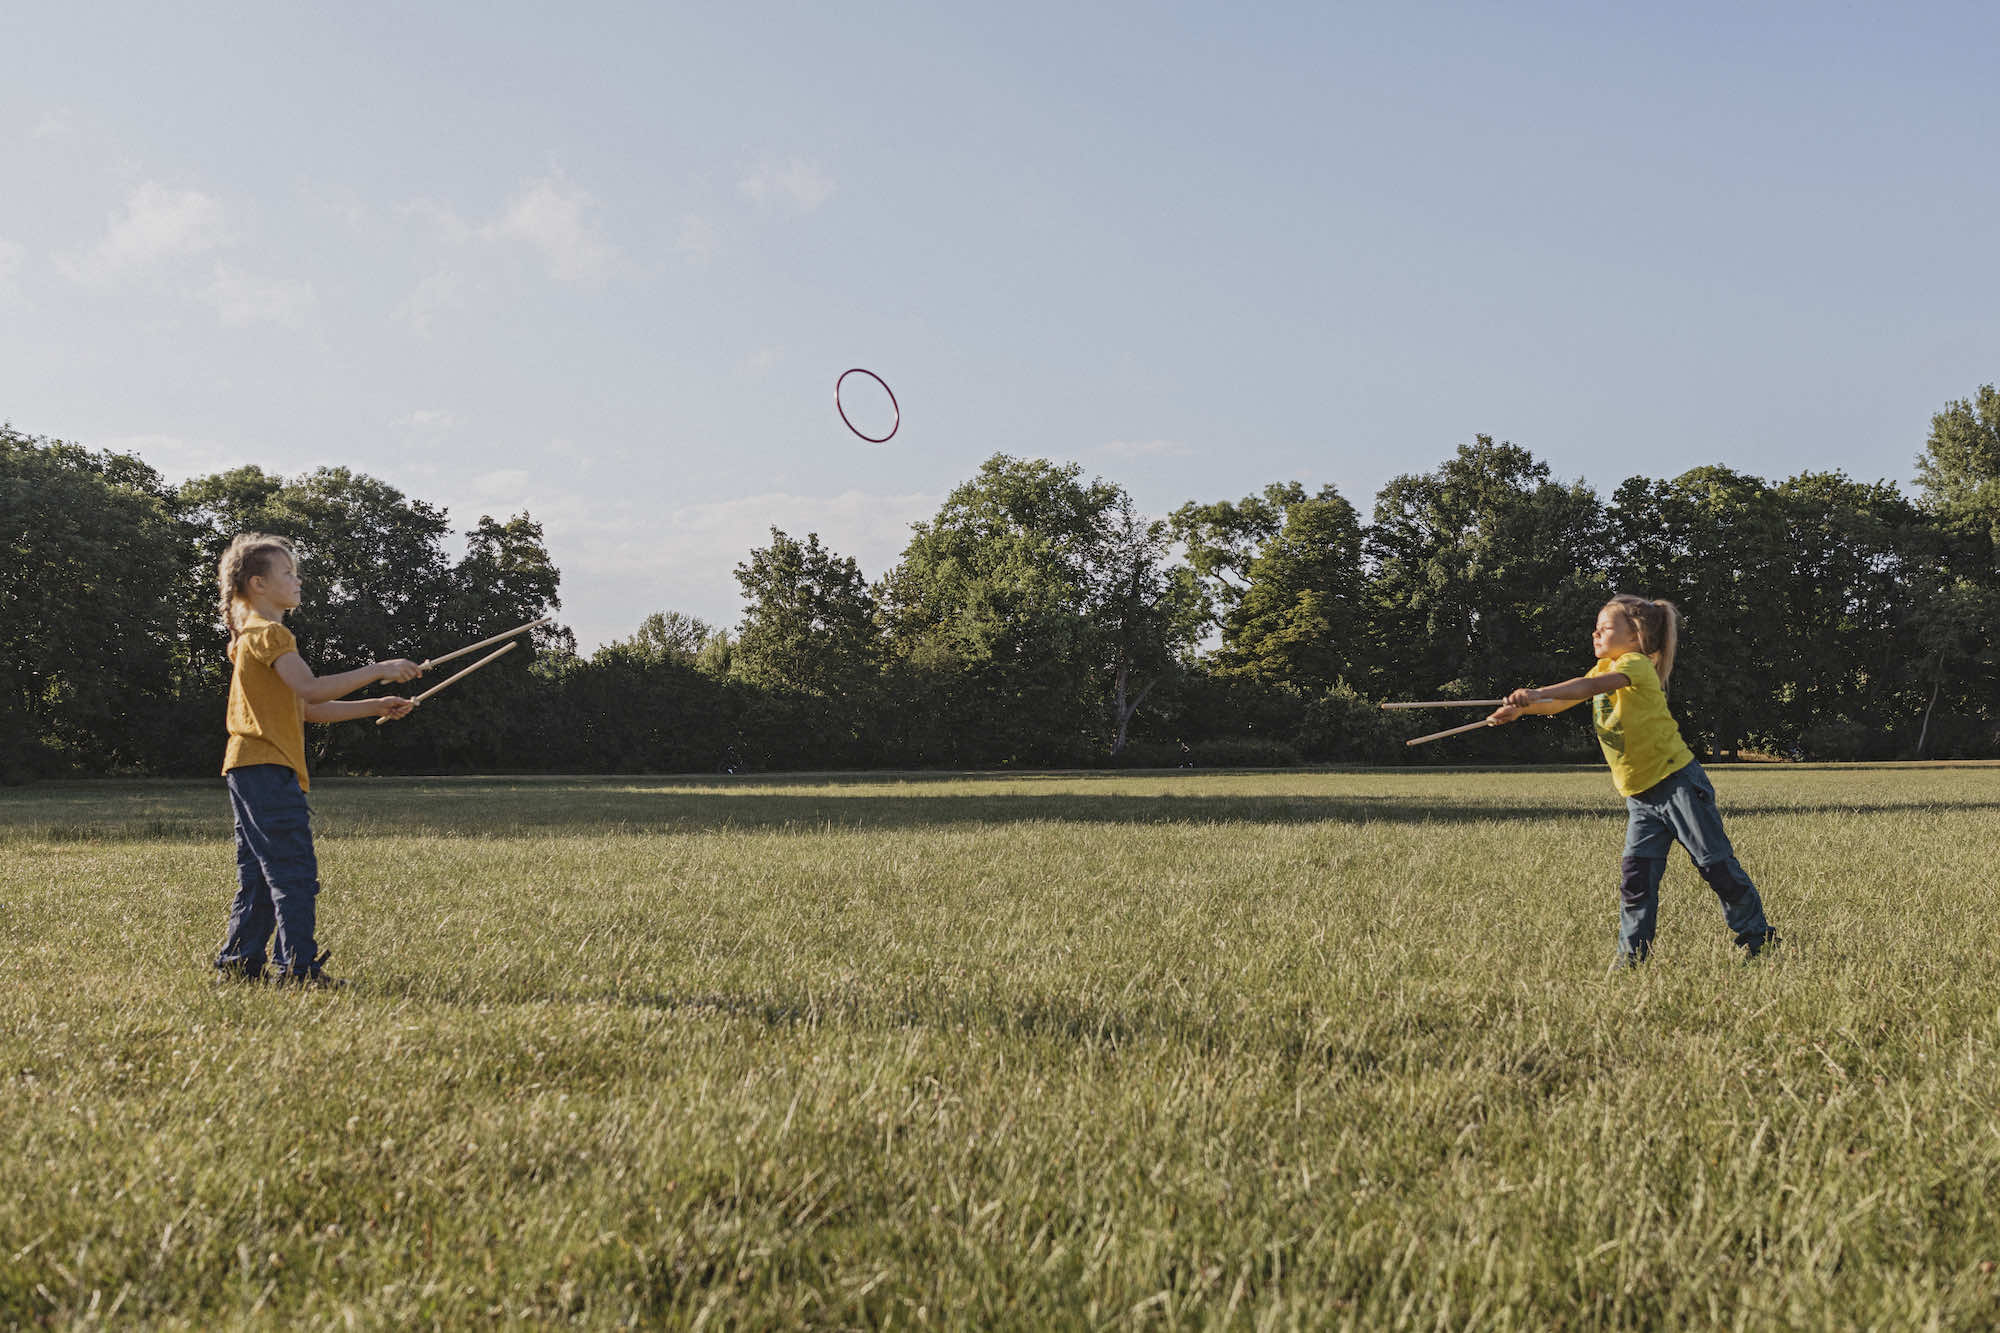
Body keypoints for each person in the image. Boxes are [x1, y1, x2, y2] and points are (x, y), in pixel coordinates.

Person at [1488, 594, 1779, 965]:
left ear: (1636, 636)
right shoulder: (1606, 667)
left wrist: (1539, 692)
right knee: (1636, 879)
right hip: (1641, 797)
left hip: (1678, 783)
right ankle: (1631, 957)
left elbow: (1583, 688)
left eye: (1606, 627)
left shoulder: (1636, 665)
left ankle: (1758, 937)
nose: (1596, 633)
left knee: (1714, 864)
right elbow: (1561, 703)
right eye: (1596, 627)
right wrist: (1520, 710)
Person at [212, 534, 422, 987]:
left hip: (248, 767)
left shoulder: (252, 637)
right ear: (258, 583)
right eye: (287, 572)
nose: (297, 579)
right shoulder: (270, 634)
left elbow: (306, 710)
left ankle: (239, 964)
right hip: (267, 768)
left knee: (259, 876)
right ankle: (296, 970)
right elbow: (311, 689)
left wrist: (377, 704)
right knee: (293, 872)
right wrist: (378, 668)